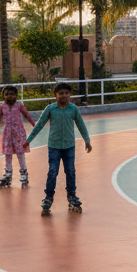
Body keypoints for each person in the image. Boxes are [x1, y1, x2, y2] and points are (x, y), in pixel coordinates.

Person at [25, 82, 92, 215]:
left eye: (66, 93)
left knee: (71, 171)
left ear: (70, 95)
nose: (64, 96)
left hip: (69, 146)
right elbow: (39, 125)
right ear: (55, 95)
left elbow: (81, 125)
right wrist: (28, 140)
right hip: (54, 146)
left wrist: (87, 140)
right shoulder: (50, 109)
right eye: (61, 93)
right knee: (52, 172)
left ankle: (72, 196)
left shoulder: (73, 109)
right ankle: (48, 197)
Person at [0, 85, 36, 189]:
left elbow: (27, 115)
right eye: (7, 94)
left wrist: (35, 126)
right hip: (7, 134)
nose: (9, 96)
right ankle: (8, 172)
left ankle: (24, 173)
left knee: (20, 153)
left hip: (19, 133)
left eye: (12, 94)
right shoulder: (2, 107)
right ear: (3, 96)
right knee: (8, 153)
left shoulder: (19, 105)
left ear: (16, 96)